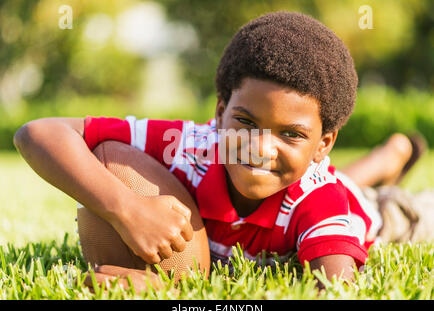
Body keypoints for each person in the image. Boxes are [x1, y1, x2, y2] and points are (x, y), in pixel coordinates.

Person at [13, 11, 431, 291]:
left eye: (291, 134)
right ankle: (387, 156)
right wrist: (124, 207)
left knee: (384, 205)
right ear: (219, 112)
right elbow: (37, 133)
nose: (259, 147)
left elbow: (335, 292)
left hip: (371, 211)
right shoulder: (189, 145)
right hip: (301, 183)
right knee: (287, 175)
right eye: (246, 123)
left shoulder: (323, 205)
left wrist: (173, 293)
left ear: (324, 143)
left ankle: (388, 159)